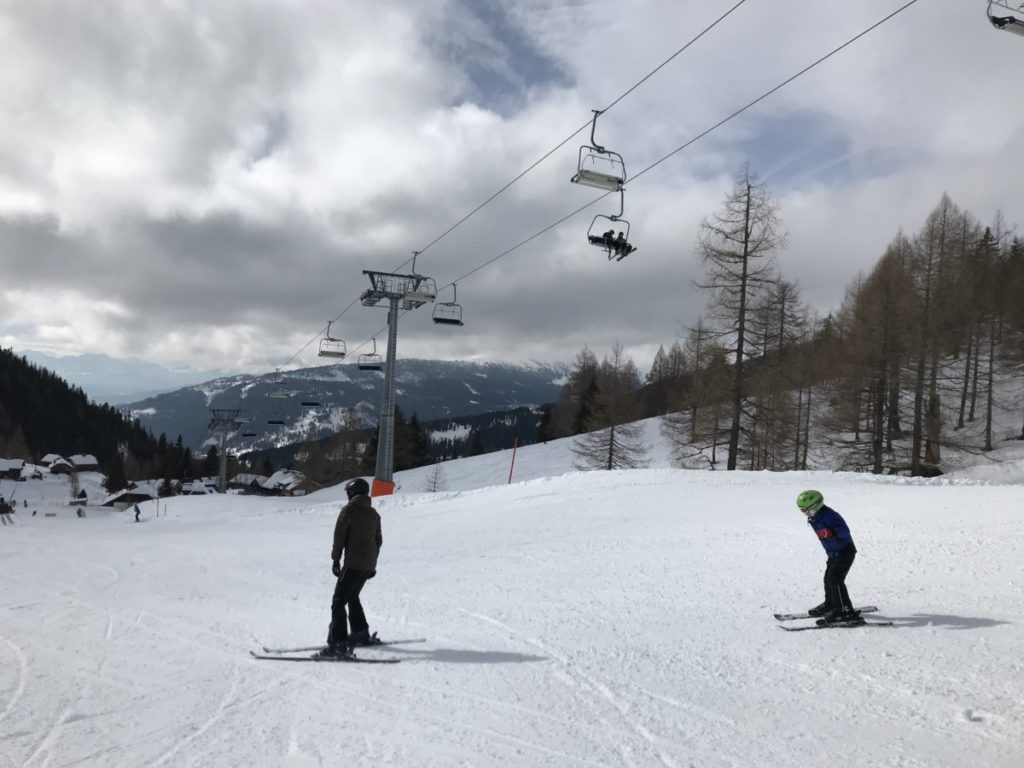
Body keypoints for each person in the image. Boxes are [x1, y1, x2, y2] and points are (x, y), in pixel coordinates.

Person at [315, 477, 382, 659]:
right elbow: (378, 542)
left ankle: (338, 644)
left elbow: (339, 538)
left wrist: (336, 560)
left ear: (352, 493)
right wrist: (371, 565)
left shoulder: (349, 511)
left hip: (353, 565)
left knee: (338, 602)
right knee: (352, 596)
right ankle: (360, 633)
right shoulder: (374, 514)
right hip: (366, 566)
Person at [797, 490, 862, 625]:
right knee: (828, 579)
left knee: (836, 581)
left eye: (806, 510)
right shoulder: (816, 516)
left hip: (845, 552)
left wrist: (829, 532)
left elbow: (844, 532)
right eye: (802, 511)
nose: (805, 514)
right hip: (833, 553)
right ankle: (831, 604)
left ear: (817, 505)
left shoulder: (830, 516)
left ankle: (845, 611)